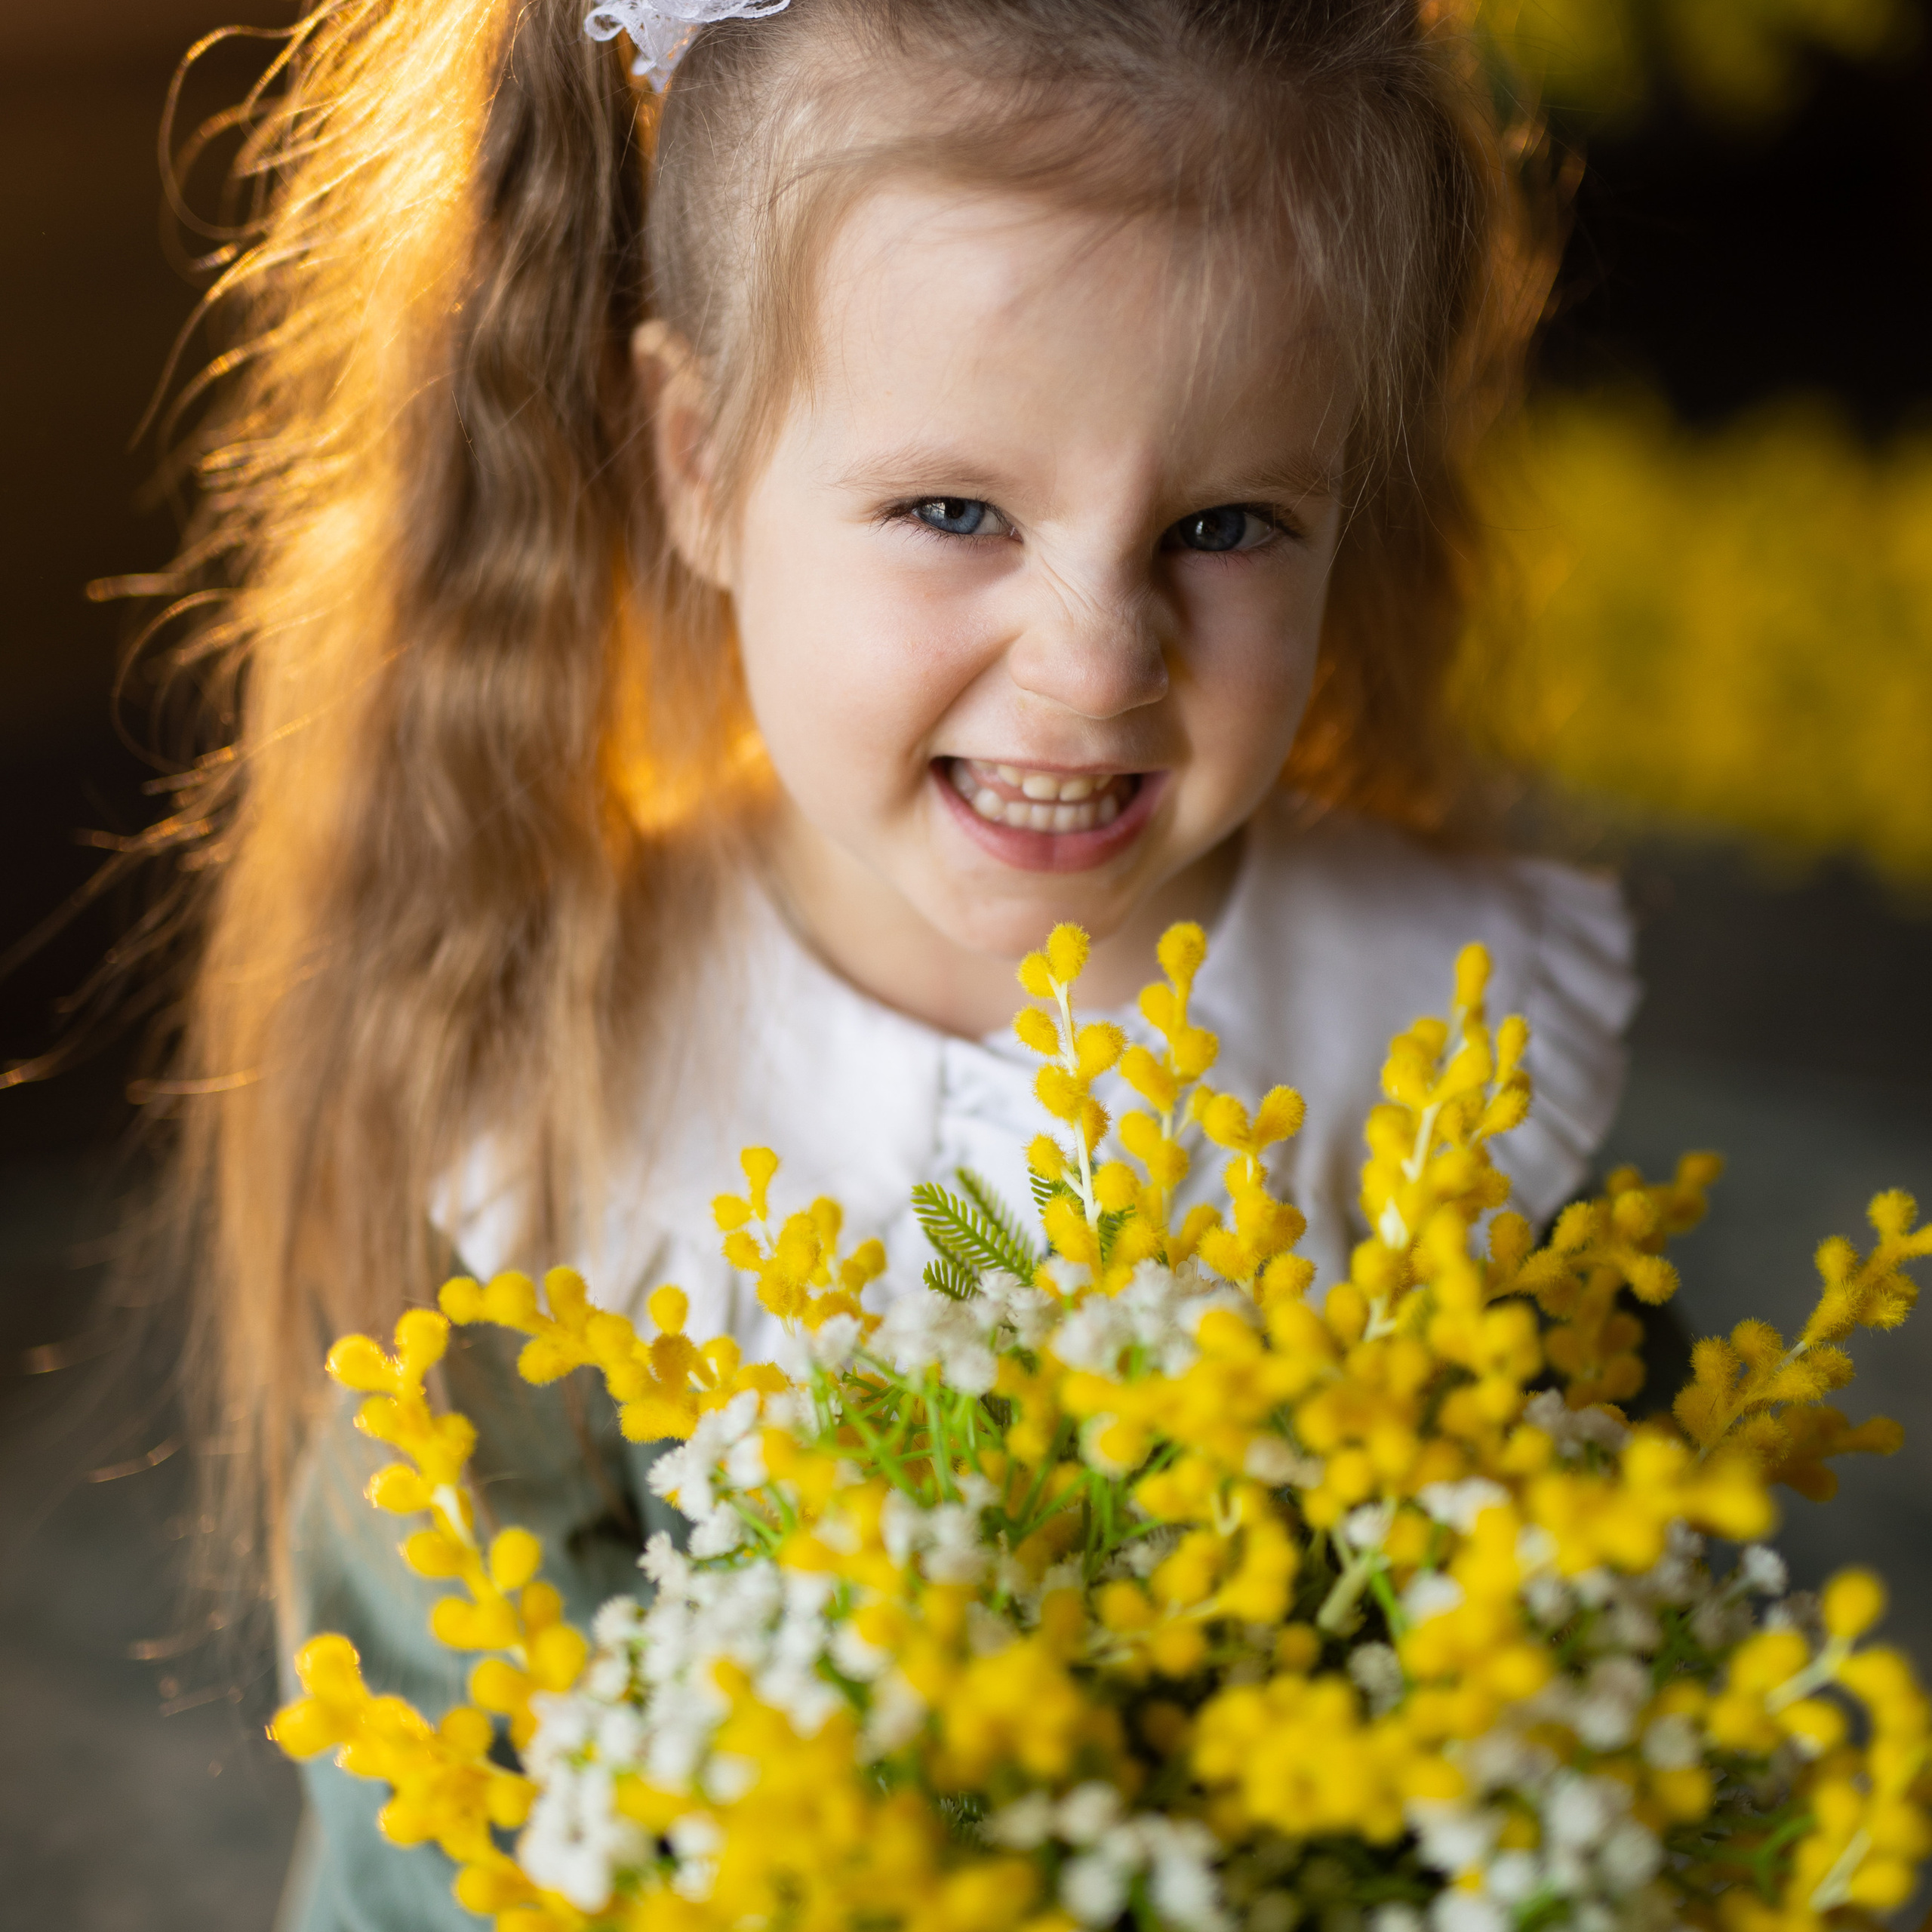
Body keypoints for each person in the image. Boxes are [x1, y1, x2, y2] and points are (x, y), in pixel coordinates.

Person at [138, 0, 1635, 1921]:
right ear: (699, 460)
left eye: (1225, 523)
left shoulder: (1439, 1051)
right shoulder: (555, 1095)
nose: (1095, 665)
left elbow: (1594, 1699)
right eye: (953, 510)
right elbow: (431, 1826)